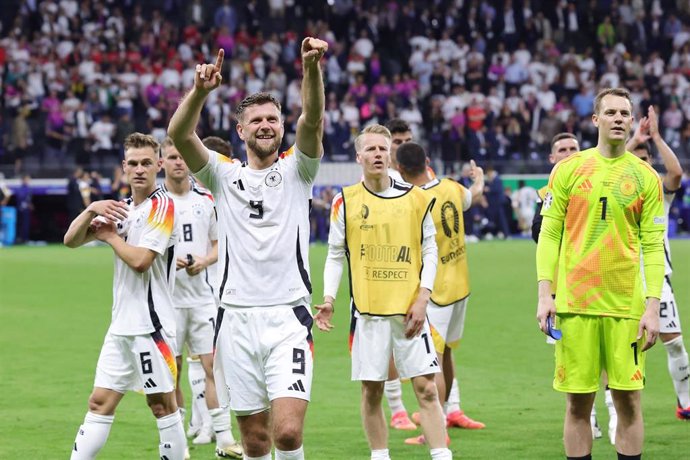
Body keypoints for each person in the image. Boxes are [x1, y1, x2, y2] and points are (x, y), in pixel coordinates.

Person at [167, 37, 328, 460]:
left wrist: (311, 69)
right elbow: (178, 134)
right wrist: (201, 91)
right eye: (256, 120)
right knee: (255, 440)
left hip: (288, 316)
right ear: (241, 130)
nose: (265, 125)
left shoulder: (299, 170)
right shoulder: (222, 175)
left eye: (272, 119)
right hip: (235, 319)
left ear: (280, 125)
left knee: (288, 433)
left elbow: (312, 119)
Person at [536, 87, 666, 460]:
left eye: (625, 113)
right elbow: (549, 235)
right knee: (578, 405)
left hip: (626, 306)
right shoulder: (569, 170)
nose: (619, 119)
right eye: (610, 113)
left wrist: (652, 306)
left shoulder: (645, 177)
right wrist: (546, 294)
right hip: (576, 304)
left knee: (629, 403)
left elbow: (654, 246)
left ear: (631, 121)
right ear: (596, 120)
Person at [314, 124, 452, 460]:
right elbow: (335, 254)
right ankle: (380, 456)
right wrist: (329, 298)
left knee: (427, 389)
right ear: (358, 156)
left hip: (410, 312)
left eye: (382, 148)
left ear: (390, 154)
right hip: (367, 313)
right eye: (370, 149)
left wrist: (423, 298)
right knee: (371, 391)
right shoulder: (344, 200)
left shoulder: (417, 198)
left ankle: (441, 455)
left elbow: (430, 251)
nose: (377, 154)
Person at [64, 133, 185, 460]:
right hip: (120, 326)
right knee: (98, 402)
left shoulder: (163, 206)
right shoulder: (123, 208)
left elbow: (141, 262)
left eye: (147, 163)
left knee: (162, 405)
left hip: (152, 326)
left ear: (159, 164)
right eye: (133, 163)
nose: (140, 169)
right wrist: (90, 210)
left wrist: (107, 237)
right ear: (124, 168)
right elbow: (71, 241)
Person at [382, 119, 478, 433]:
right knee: (447, 353)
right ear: (426, 162)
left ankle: (433, 433)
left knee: (431, 360)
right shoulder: (450, 186)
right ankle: (447, 414)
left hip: (432, 290)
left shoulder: (411, 199)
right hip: (460, 282)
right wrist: (477, 180)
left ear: (399, 165)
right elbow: (470, 197)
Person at [160, 137, 243, 458]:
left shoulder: (206, 200)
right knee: (172, 372)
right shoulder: (156, 203)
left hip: (202, 299)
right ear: (161, 163)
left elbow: (219, 243)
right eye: (171, 157)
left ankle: (223, 438)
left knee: (212, 367)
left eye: (182, 157)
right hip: (166, 302)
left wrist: (202, 262)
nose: (178, 162)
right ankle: (178, 439)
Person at [532, 132, 615, 442]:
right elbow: (540, 235)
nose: (568, 154)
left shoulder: (599, 181)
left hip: (605, 283)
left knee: (608, 355)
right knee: (577, 359)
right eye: (561, 150)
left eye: (573, 149)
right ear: (552, 158)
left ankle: (613, 413)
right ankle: (589, 418)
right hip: (564, 288)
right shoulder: (547, 194)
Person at [626, 106, 690, 422]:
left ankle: (686, 402)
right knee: (621, 351)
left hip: (656, 279)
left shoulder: (658, 194)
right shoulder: (614, 188)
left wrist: (656, 138)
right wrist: (633, 139)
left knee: (675, 344)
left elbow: (676, 173)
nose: (640, 163)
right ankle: (614, 414)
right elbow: (604, 168)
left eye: (644, 158)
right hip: (620, 278)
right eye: (634, 159)